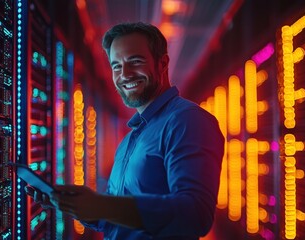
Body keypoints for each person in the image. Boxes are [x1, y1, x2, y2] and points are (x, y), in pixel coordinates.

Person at [25, 22, 224, 239]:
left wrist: (103, 206)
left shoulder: (187, 120)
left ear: (163, 63)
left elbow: (195, 215)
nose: (125, 74)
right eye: (116, 66)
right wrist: (74, 204)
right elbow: (115, 221)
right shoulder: (130, 140)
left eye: (135, 61)